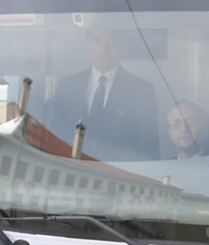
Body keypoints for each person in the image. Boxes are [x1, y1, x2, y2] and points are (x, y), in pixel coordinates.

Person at [43, 27, 159, 161]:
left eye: (112, 42)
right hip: (71, 169)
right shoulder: (68, 85)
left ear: (124, 47)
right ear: (87, 46)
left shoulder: (141, 89)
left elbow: (148, 147)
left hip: (119, 171)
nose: (104, 48)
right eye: (97, 40)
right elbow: (53, 136)